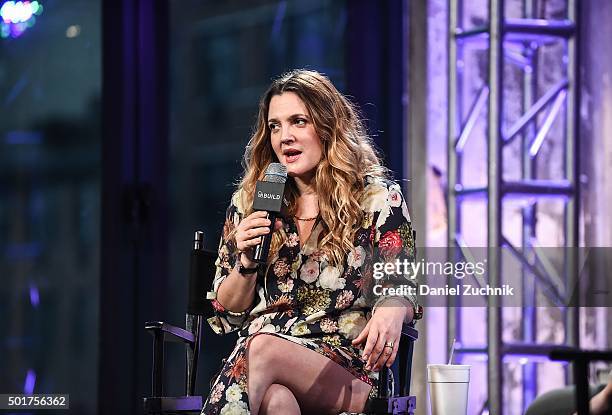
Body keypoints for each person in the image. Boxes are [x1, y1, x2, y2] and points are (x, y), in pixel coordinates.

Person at [202, 69, 421, 415]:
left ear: (327, 126)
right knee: (276, 401)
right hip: (264, 368)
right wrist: (245, 262)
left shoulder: (376, 199)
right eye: (275, 126)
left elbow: (404, 282)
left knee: (261, 349)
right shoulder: (250, 202)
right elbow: (227, 310)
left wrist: (394, 306)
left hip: (346, 372)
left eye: (298, 122)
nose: (284, 136)